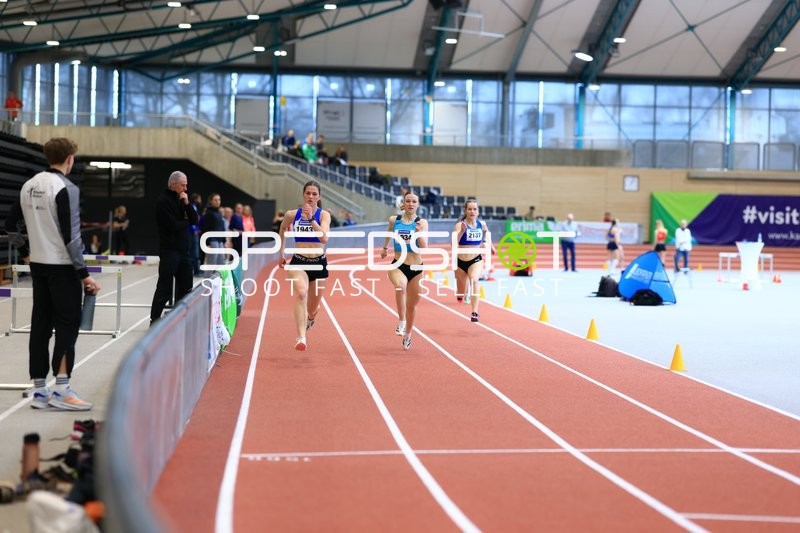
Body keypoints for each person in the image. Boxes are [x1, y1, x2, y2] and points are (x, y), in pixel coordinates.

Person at [4, 137, 100, 411]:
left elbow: (10, 225)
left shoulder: (28, 185)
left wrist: (26, 254)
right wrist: (85, 275)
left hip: (39, 268)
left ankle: (39, 390)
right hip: (63, 269)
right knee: (67, 326)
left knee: (41, 326)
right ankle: (62, 388)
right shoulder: (66, 188)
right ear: (69, 159)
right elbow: (72, 238)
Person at [278, 180, 332, 350]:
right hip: (299, 261)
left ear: (319, 196)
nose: (310, 196)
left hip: (318, 263)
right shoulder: (292, 214)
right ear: (303, 194)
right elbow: (282, 228)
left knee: (312, 307)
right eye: (308, 193)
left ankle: (311, 316)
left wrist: (310, 220)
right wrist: (281, 253)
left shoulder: (324, 215)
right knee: (301, 294)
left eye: (314, 194)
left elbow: (324, 238)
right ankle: (301, 338)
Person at [380, 191, 429, 350]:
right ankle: (401, 321)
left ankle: (408, 334)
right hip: (398, 264)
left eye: (414, 201)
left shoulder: (422, 222)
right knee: (400, 287)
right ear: (404, 203)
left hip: (416, 267)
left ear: (418, 204)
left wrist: (418, 232)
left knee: (412, 306)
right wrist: (385, 247)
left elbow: (424, 246)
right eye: (408, 201)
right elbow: (389, 231)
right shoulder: (395, 220)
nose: (411, 204)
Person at [150, 171, 198, 325]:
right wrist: (185, 221)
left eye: (186, 185)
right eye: (183, 185)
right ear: (174, 184)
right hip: (169, 251)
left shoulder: (182, 199)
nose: (186, 187)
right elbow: (172, 226)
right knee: (164, 287)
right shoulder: (163, 202)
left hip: (183, 251)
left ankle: (179, 319)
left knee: (186, 285)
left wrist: (187, 204)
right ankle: (155, 320)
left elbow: (194, 220)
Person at [453, 199, 493, 323]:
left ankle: (474, 312)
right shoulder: (460, 224)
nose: (472, 211)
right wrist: (462, 232)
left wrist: (490, 246)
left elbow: (486, 234)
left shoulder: (482, 224)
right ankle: (460, 294)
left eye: (475, 209)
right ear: (465, 211)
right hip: (460, 261)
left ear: (478, 211)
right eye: (469, 209)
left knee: (474, 281)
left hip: (476, 259)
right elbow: (453, 243)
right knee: (461, 290)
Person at [199, 193, 226, 265]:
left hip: (220, 241)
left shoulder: (219, 213)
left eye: (219, 200)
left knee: (221, 262)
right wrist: (207, 243)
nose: (218, 201)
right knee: (212, 263)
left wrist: (224, 240)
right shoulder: (208, 213)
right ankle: (208, 276)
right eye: (215, 200)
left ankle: (217, 276)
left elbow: (222, 228)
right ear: (210, 201)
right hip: (212, 240)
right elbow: (205, 228)